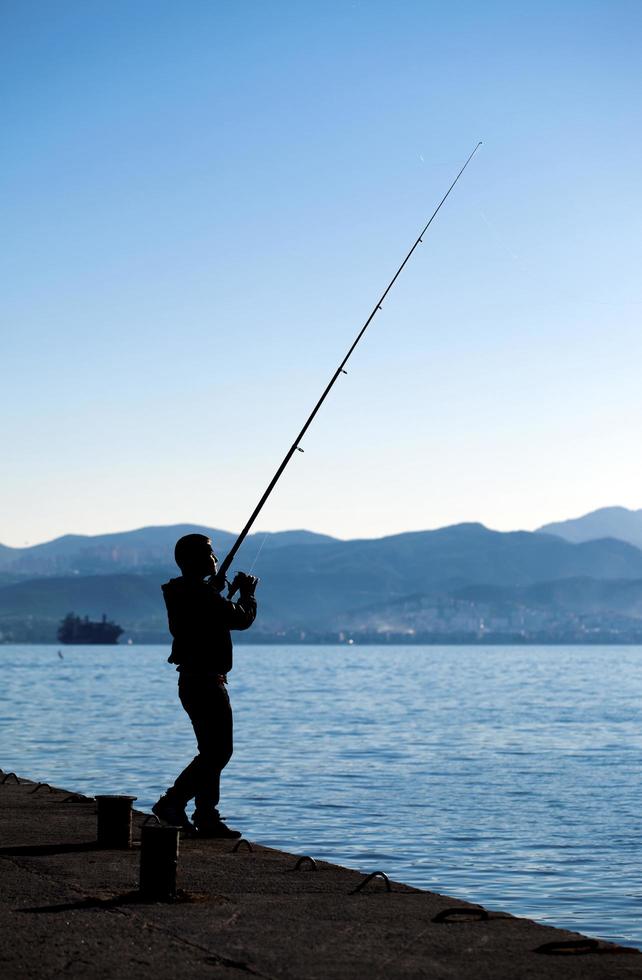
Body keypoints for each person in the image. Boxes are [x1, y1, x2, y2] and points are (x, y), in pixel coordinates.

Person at [152, 533, 258, 837]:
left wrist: (226, 594)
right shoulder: (200, 594)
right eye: (210, 554)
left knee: (210, 751)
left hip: (193, 681)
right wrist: (247, 594)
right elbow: (240, 619)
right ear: (196, 560)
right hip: (206, 683)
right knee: (219, 752)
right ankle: (173, 803)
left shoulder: (185, 592)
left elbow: (210, 615)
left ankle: (207, 816)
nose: (215, 558)